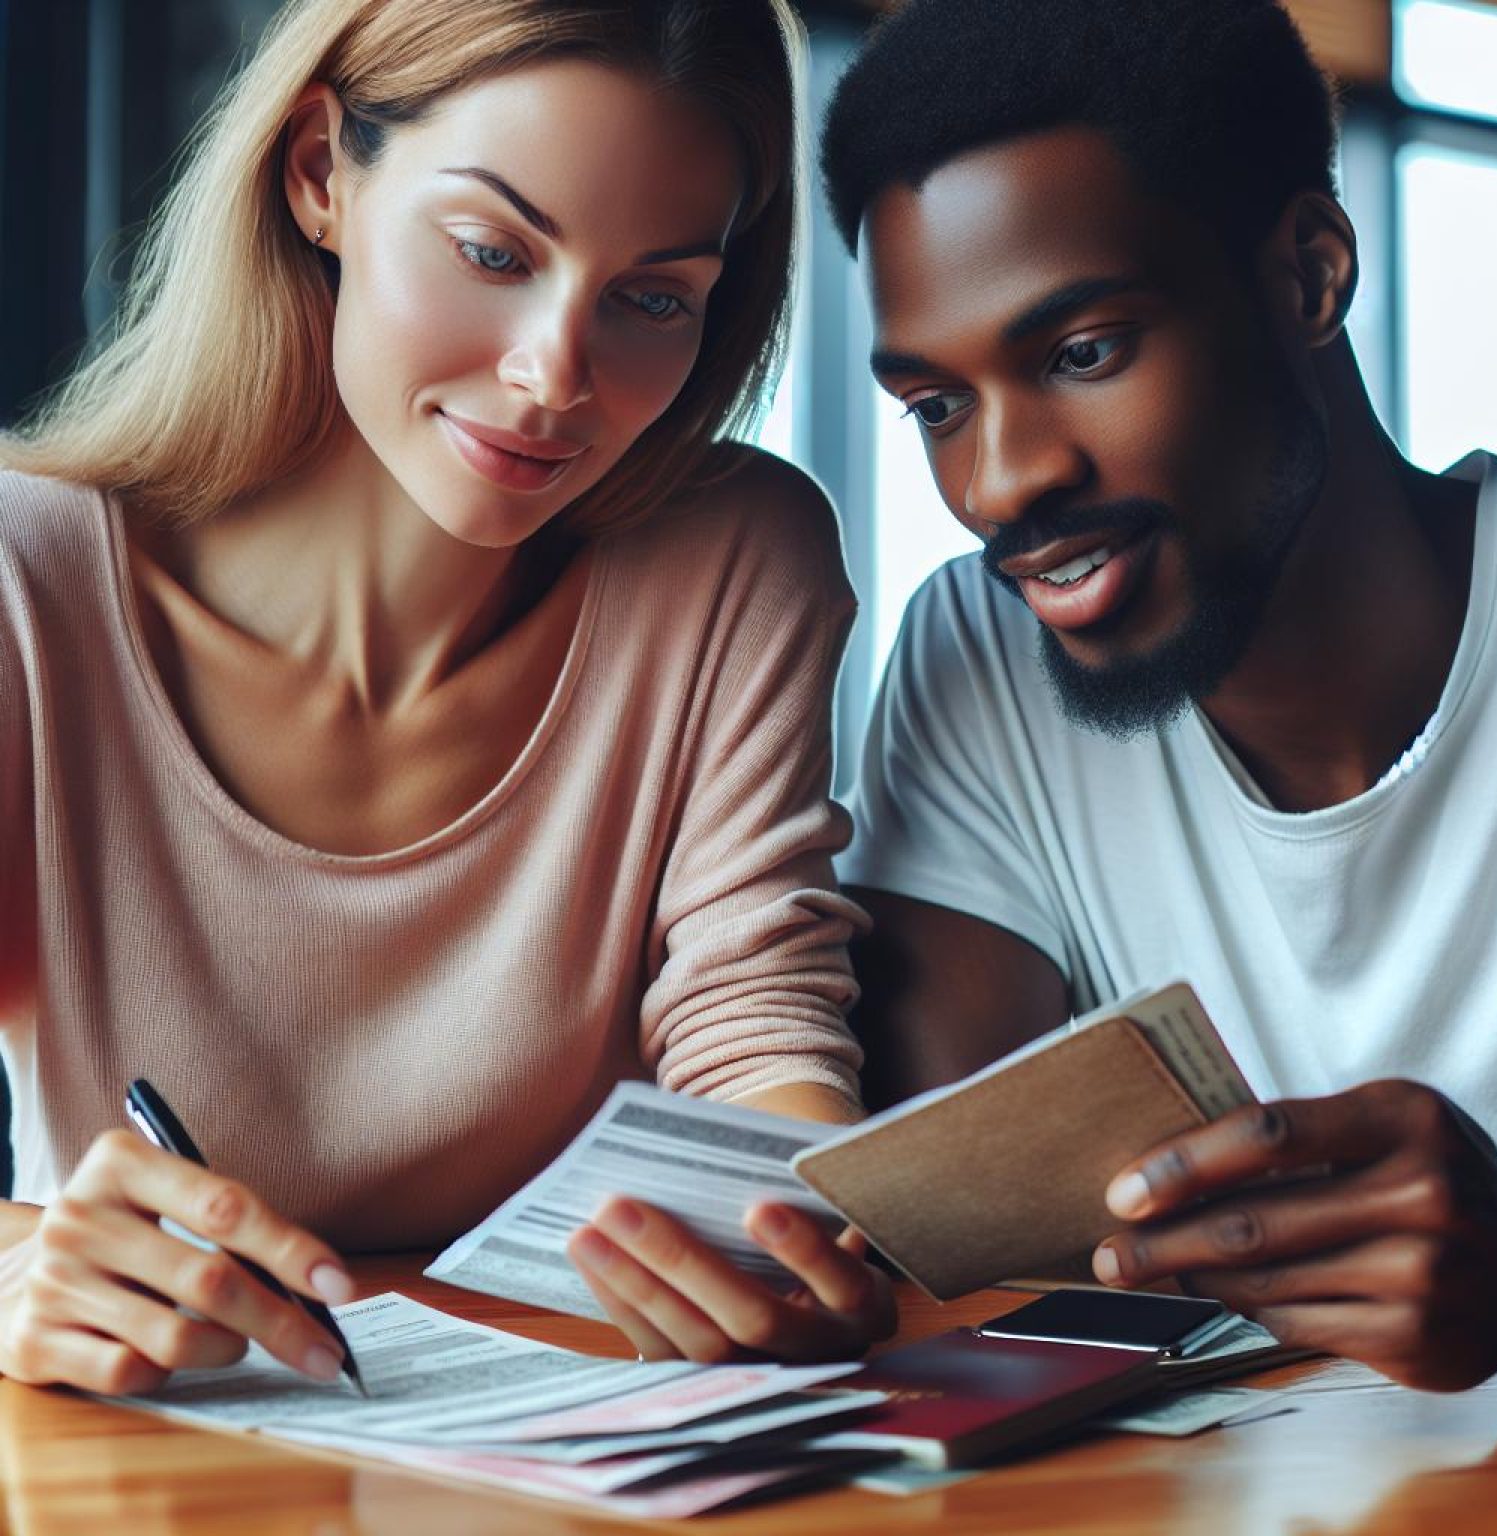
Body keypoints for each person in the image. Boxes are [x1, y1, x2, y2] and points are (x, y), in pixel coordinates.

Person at [0, 0, 895, 1395]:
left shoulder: (736, 559)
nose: (554, 377)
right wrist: (12, 1266)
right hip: (150, 1458)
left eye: (652, 297)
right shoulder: (23, 587)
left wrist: (793, 1238)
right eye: (492, 252)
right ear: (319, 176)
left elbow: (757, 1026)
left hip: (582, 1457)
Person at [821, 0, 1497, 1391]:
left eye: (1082, 353)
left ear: (1310, 273)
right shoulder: (980, 661)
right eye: (937, 409)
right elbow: (949, 1262)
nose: (1003, 483)